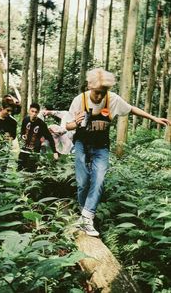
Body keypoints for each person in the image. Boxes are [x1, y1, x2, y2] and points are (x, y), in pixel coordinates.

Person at [66, 68, 170, 237]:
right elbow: (67, 125)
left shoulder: (112, 99)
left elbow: (131, 109)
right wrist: (75, 123)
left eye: (104, 92)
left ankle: (87, 218)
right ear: (90, 86)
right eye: (97, 92)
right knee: (83, 181)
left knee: (99, 179)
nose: (100, 97)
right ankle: (83, 210)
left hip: (101, 146)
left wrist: (154, 118)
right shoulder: (80, 100)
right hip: (81, 143)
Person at [18, 103, 59, 172]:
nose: (34, 114)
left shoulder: (41, 124)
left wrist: (55, 152)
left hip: (34, 151)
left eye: (36, 112)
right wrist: (23, 135)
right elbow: (22, 131)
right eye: (32, 111)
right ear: (29, 111)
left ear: (38, 112)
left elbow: (49, 137)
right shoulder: (25, 120)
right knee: (20, 169)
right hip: (24, 149)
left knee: (31, 171)